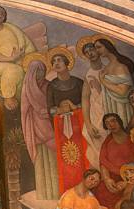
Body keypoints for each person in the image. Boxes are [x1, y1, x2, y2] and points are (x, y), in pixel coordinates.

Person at [46, 47, 88, 193]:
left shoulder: (78, 83)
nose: (56, 63)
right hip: (61, 125)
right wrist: (59, 110)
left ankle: (86, 188)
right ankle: (68, 190)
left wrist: (73, 106)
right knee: (66, 157)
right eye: (53, 61)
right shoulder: (51, 85)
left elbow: (86, 103)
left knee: (83, 155)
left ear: (67, 63)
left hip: (79, 122)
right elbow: (50, 108)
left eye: (59, 60)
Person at [20, 53, 58, 200]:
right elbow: (24, 112)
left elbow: (52, 104)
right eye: (37, 71)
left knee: (54, 161)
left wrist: (46, 111)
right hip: (35, 128)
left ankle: (56, 193)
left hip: (49, 126)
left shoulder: (49, 86)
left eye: (42, 70)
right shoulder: (27, 88)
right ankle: (44, 195)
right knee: (41, 162)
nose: (40, 74)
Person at [94, 113, 134, 209]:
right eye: (107, 123)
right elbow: (103, 163)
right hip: (113, 177)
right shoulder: (107, 142)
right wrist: (107, 179)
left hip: (132, 176)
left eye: (113, 121)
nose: (111, 125)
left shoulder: (132, 139)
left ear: (119, 121)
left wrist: (126, 182)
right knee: (102, 191)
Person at [78, 35, 106, 168]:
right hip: (96, 112)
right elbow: (85, 99)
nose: (90, 53)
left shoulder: (108, 69)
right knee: (96, 142)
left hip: (108, 109)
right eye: (87, 52)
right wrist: (88, 123)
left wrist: (101, 88)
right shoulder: (88, 74)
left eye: (92, 49)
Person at [94, 38, 134, 126]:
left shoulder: (121, 67)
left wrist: (102, 81)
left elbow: (122, 91)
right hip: (111, 106)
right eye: (96, 48)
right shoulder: (107, 67)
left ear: (108, 46)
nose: (97, 51)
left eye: (99, 47)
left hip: (122, 107)